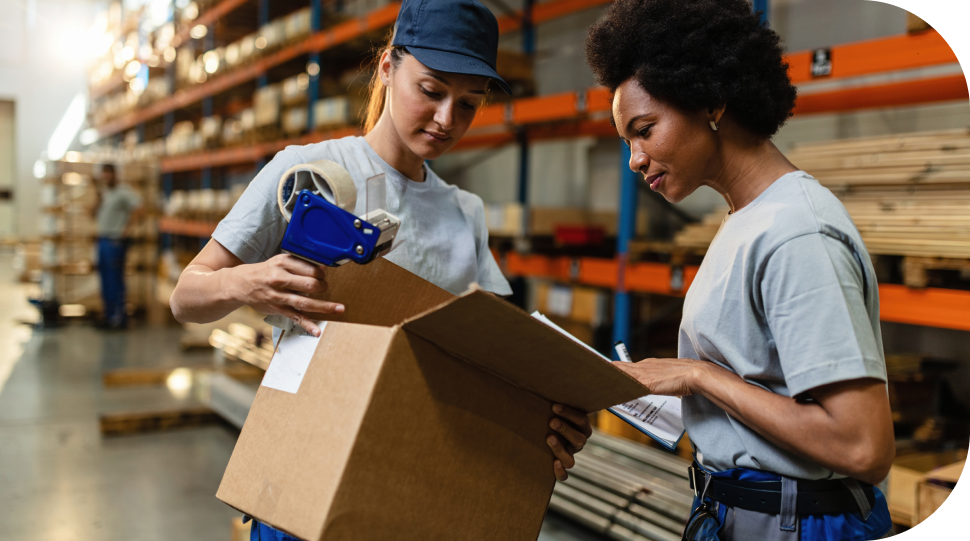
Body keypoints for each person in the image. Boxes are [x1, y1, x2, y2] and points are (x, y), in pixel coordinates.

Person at [169, 1, 592, 538]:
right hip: (306, 465)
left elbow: (493, 359)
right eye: (432, 91)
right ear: (388, 67)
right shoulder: (309, 171)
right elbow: (186, 296)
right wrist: (248, 281)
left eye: (468, 104)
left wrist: (546, 422)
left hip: (416, 473)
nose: (446, 120)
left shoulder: (464, 213)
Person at [585, 1, 895, 540]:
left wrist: (699, 375)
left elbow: (862, 447)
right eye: (627, 140)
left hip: (801, 524)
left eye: (644, 129)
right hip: (744, 513)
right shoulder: (745, 219)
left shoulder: (797, 233)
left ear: (711, 101)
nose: (635, 158)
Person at [92, 163, 142, 329]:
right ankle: (108, 314)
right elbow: (92, 213)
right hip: (103, 238)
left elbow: (139, 209)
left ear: (115, 174)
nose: (106, 177)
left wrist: (125, 231)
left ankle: (119, 317)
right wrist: (97, 197)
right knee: (105, 278)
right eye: (104, 174)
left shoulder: (123, 192)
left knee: (114, 278)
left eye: (109, 173)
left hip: (115, 240)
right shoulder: (104, 193)